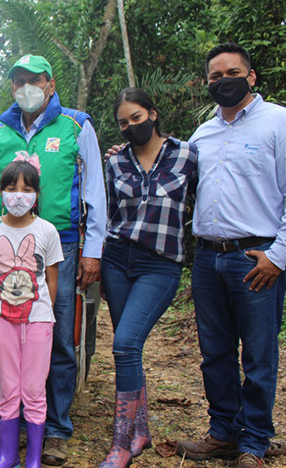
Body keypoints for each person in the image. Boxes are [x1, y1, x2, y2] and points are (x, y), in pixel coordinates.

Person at [174, 43, 286, 468]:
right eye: (215, 76)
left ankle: (254, 440)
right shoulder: (203, 134)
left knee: (258, 353)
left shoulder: (282, 124)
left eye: (232, 72)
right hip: (207, 258)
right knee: (214, 351)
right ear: (207, 83)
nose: (224, 81)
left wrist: (279, 256)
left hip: (256, 257)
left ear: (251, 77)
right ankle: (222, 432)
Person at [0, 54, 106, 466]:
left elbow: (95, 191)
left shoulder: (75, 125)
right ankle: (15, 427)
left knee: (57, 339)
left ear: (50, 83)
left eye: (32, 80)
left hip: (61, 246)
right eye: (17, 80)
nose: (25, 87)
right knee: (11, 339)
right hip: (9, 248)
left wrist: (92, 250)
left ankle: (56, 430)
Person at [99, 88, 197, 468]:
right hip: (117, 259)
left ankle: (121, 444)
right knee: (129, 350)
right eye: (123, 122)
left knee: (124, 343)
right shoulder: (115, 162)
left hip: (160, 263)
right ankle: (140, 433)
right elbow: (107, 214)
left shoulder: (187, 154)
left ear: (153, 114)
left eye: (136, 118)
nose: (130, 126)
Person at [0, 157, 64, 468]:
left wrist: (40, 311)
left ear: (37, 195)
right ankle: (8, 455)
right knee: (8, 388)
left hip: (39, 320)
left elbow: (51, 281)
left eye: (27, 189)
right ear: (0, 192)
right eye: (11, 188)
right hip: (2, 320)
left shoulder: (48, 231)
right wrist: (1, 308)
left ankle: (34, 460)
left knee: (34, 389)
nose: (18, 195)